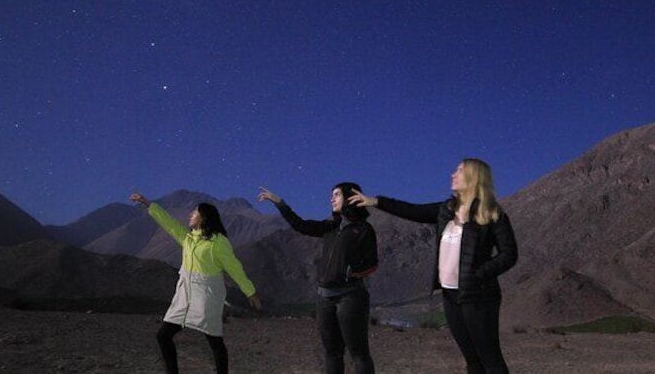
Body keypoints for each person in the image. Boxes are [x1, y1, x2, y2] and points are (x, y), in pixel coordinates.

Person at [348, 158, 518, 374]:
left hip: (480, 297)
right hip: (450, 296)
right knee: (472, 359)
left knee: (490, 359)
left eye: (459, 171)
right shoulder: (445, 210)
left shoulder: (492, 214)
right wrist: (376, 201)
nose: (452, 174)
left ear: (474, 177)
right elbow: (411, 210)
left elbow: (509, 254)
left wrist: (480, 274)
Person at [129, 192, 262, 374]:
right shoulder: (188, 238)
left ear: (204, 217)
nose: (190, 215)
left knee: (215, 341)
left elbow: (234, 268)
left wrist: (250, 291)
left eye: (195, 212)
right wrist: (148, 204)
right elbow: (169, 223)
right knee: (163, 336)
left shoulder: (218, 243)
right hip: (184, 298)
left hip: (206, 298)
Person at [257, 182, 378, 374]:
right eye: (332, 195)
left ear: (350, 197)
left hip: (351, 298)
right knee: (332, 353)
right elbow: (300, 225)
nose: (332, 199)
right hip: (324, 298)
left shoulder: (363, 229)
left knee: (359, 354)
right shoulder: (330, 226)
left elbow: (372, 263)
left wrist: (351, 273)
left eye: (337, 195)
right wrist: (279, 203)